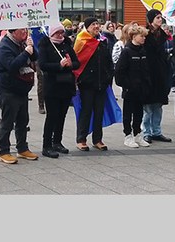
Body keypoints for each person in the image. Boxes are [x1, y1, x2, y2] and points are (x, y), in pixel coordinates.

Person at [0, 25, 39, 164]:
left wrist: (31, 47)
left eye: (26, 30)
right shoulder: (5, 46)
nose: (25, 32)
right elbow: (12, 66)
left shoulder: (22, 43)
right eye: (22, 30)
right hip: (9, 89)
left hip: (22, 89)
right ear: (13, 31)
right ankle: (3, 151)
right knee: (8, 121)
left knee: (22, 120)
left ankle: (22, 148)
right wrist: (26, 52)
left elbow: (35, 57)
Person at [38, 24, 80, 158]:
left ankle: (57, 141)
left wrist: (70, 64)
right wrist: (59, 65)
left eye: (62, 33)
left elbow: (77, 62)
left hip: (66, 85)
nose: (60, 35)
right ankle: (46, 145)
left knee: (62, 115)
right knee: (52, 116)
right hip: (52, 86)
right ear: (52, 33)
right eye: (57, 33)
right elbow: (43, 65)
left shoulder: (67, 44)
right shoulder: (45, 45)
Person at [74, 17, 114, 151]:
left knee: (99, 112)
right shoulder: (81, 41)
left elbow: (109, 61)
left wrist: (108, 77)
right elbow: (77, 61)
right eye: (93, 24)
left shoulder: (103, 42)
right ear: (87, 27)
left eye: (98, 23)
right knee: (85, 111)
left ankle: (97, 139)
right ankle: (81, 139)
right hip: (87, 84)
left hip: (101, 84)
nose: (96, 26)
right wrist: (81, 79)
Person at [115, 25, 152, 149]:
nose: (143, 39)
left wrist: (147, 84)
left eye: (144, 36)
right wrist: (127, 85)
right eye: (141, 36)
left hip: (141, 89)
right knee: (128, 113)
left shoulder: (143, 51)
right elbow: (119, 71)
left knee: (139, 113)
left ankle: (137, 133)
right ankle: (127, 135)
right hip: (130, 89)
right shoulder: (126, 51)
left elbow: (146, 70)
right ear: (133, 36)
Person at [142, 9, 173, 143]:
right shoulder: (145, 34)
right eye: (158, 17)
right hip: (148, 72)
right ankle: (146, 131)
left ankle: (156, 131)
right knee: (148, 106)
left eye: (161, 17)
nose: (160, 20)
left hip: (161, 72)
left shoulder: (163, 35)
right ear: (151, 20)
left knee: (158, 105)